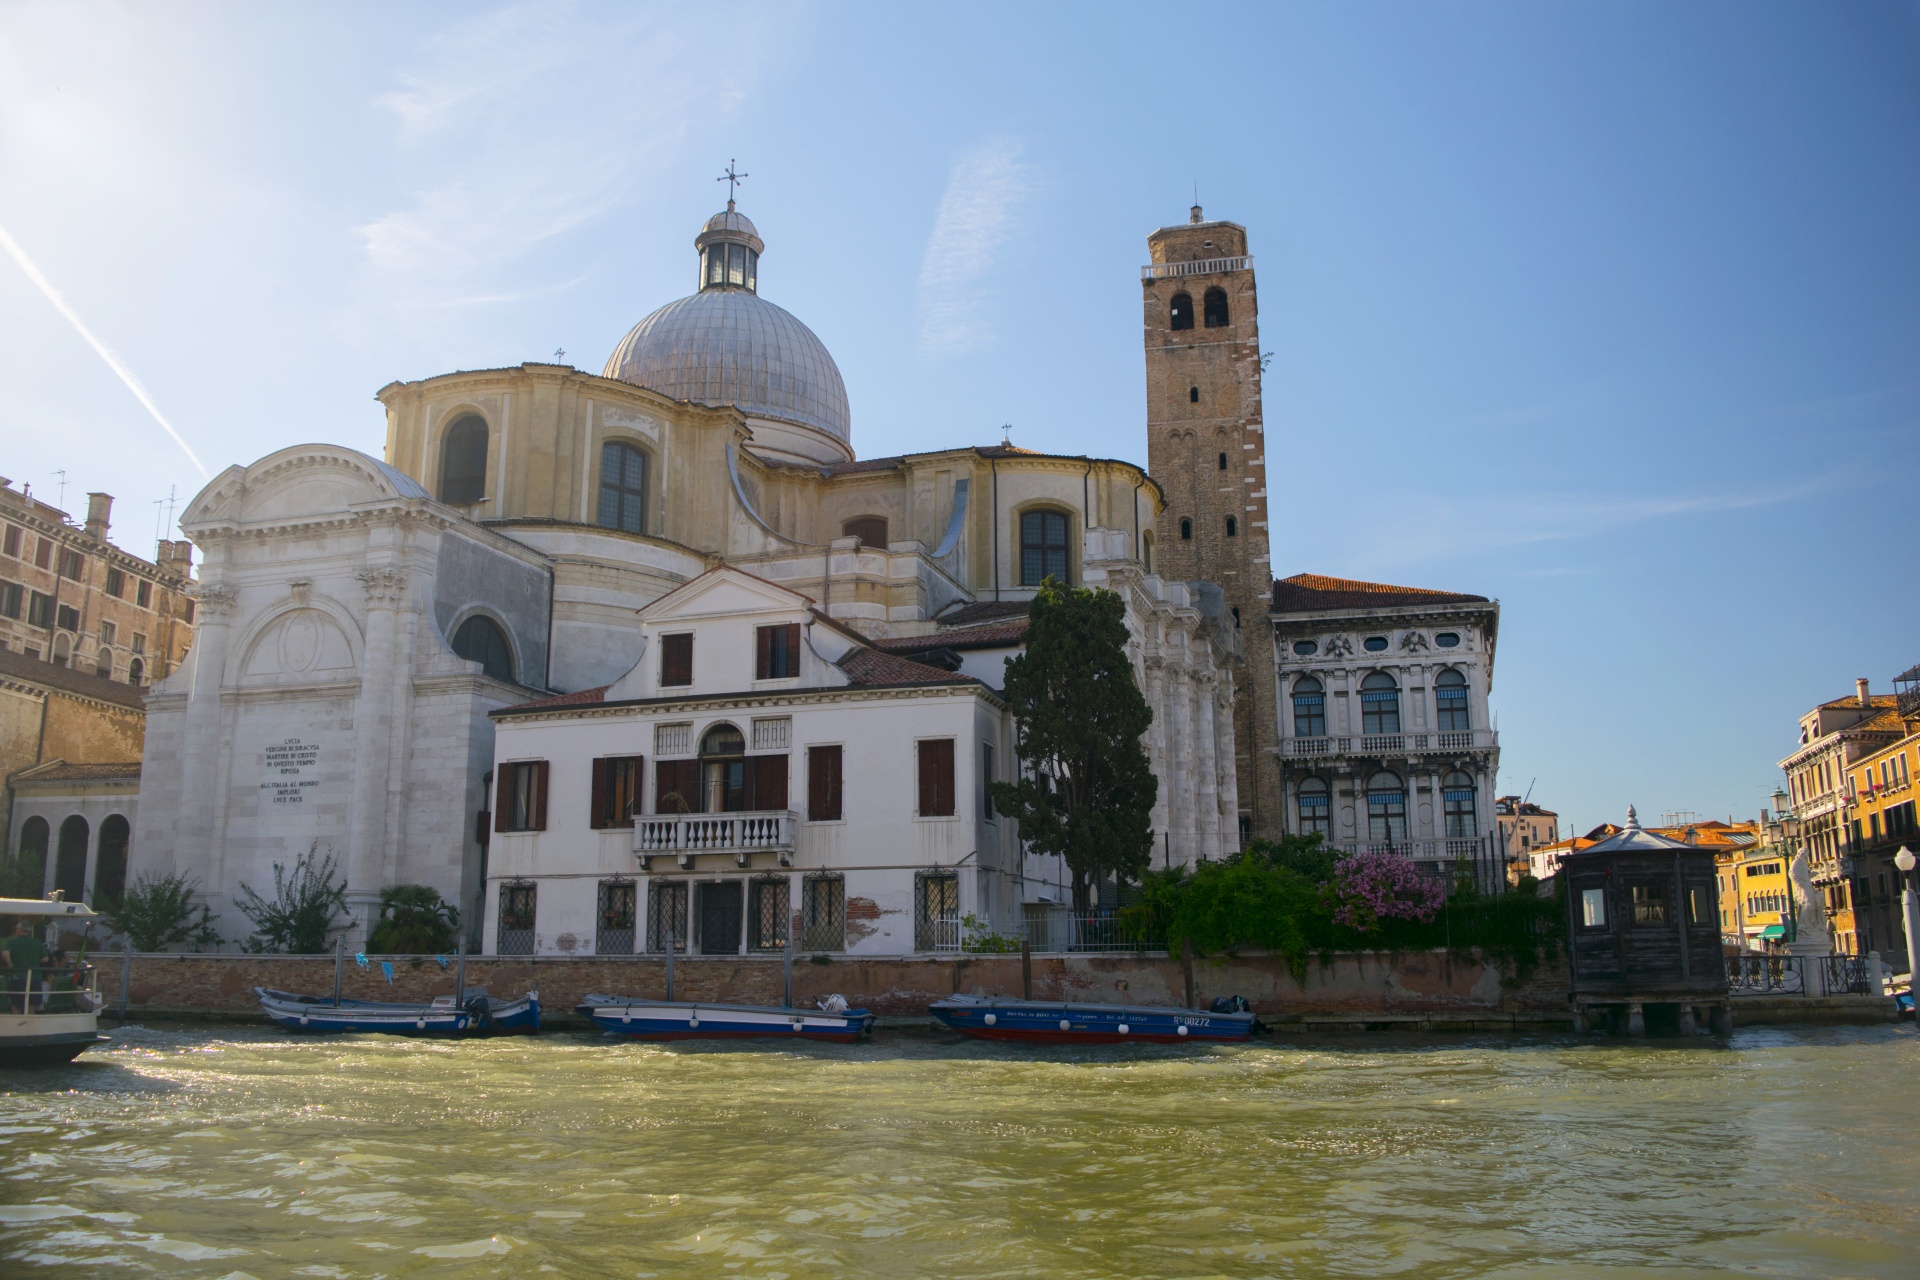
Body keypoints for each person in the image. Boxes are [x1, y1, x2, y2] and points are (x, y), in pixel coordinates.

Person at [2, 919, 47, 1014]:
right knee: (31, 1004)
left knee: (14, 1003)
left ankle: (17, 1025)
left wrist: (11, 964)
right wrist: (34, 960)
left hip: (19, 976)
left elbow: (5, 954)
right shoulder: (37, 942)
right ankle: (29, 1025)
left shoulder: (13, 943)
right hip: (35, 977)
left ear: (19, 929)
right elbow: (45, 959)